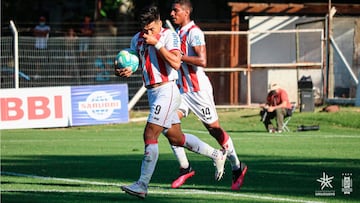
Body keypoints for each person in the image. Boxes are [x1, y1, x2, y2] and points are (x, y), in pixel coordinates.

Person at [116, 5, 227, 199]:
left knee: (150, 133)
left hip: (167, 90)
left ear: (159, 23)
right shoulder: (137, 39)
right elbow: (136, 61)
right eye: (145, 30)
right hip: (153, 93)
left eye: (152, 29)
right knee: (176, 138)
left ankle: (142, 184)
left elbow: (176, 63)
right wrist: (126, 69)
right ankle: (216, 154)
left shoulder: (169, 36)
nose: (148, 33)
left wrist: (157, 43)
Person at [168, 0, 248, 190]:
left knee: (215, 130)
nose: (172, 13)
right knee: (168, 126)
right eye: (172, 10)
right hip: (182, 90)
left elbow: (202, 60)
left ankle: (237, 166)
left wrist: (180, 57)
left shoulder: (194, 32)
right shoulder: (177, 33)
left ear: (186, 12)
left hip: (198, 91)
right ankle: (185, 167)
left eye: (176, 10)